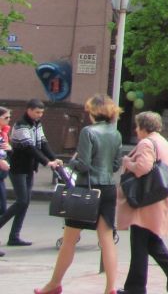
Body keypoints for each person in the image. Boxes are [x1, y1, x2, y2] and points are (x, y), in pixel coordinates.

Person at [34, 94, 123, 294]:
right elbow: (116, 165)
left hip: (86, 189)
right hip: (108, 188)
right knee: (107, 239)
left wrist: (71, 162)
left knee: (69, 240)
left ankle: (54, 284)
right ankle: (110, 288)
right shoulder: (116, 133)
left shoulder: (88, 132)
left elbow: (83, 164)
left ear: (93, 112)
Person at [116, 111, 168, 294]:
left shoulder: (146, 143)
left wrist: (127, 162)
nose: (136, 130)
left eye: (137, 126)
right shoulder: (162, 142)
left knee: (139, 245)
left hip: (146, 202)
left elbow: (142, 168)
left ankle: (137, 288)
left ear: (144, 127)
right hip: (157, 200)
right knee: (148, 241)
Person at [0, 98, 62, 247]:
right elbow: (29, 148)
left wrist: (54, 158)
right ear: (29, 110)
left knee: (25, 202)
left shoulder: (37, 124)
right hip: (18, 167)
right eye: (37, 112)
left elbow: (43, 143)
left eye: (41, 112)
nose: (39, 115)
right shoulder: (21, 125)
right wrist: (47, 162)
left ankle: (14, 236)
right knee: (22, 201)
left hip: (29, 168)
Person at [0, 106, 11, 257]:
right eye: (6, 117)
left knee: (2, 208)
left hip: (1, 176)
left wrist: (9, 148)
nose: (9, 120)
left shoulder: (3, 133)